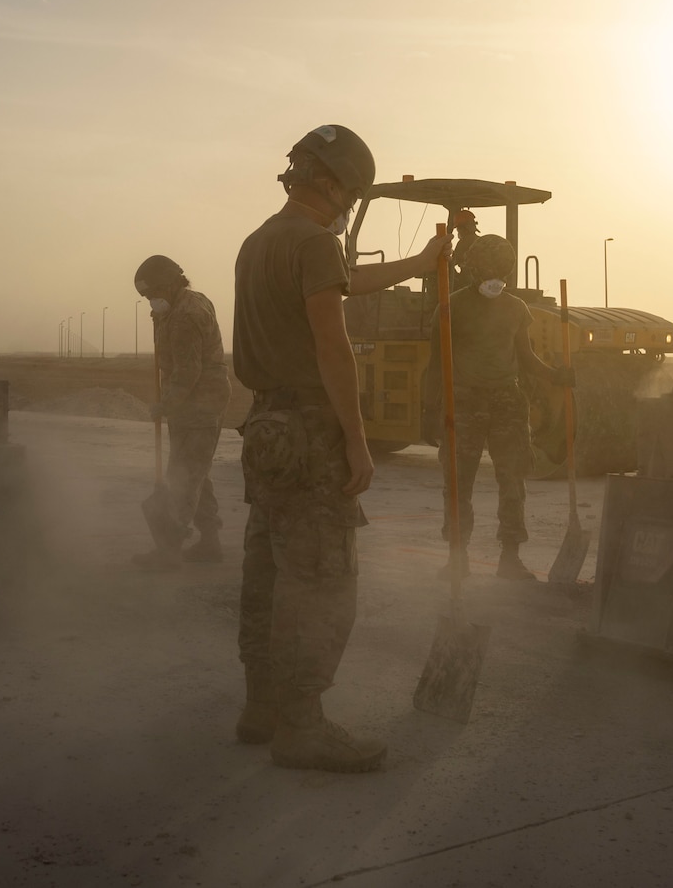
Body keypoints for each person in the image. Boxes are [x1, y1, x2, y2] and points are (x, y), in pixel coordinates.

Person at [232, 124, 447, 773]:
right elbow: (333, 346)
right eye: (351, 193)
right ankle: (302, 726)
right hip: (310, 434)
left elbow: (344, 278)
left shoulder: (260, 241)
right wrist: (357, 439)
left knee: (268, 571)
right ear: (330, 185)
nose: (349, 205)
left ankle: (262, 707)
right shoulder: (315, 242)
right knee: (322, 580)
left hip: (265, 428)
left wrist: (419, 265)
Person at [440, 229, 573, 581]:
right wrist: (432, 408)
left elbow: (525, 357)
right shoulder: (452, 306)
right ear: (473, 269)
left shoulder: (516, 309)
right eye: (487, 270)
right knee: (457, 482)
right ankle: (457, 558)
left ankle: (510, 559)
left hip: (507, 402)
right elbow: (437, 362)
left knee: (512, 481)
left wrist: (555, 376)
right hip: (465, 401)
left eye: (500, 270)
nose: (493, 277)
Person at [132, 254, 232, 570]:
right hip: (192, 402)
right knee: (195, 470)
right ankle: (210, 543)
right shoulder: (178, 307)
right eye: (147, 297)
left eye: (153, 294)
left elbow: (188, 371)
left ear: (171, 284)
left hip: (201, 402)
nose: (151, 301)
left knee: (184, 475)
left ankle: (168, 550)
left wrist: (166, 404)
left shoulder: (187, 316)